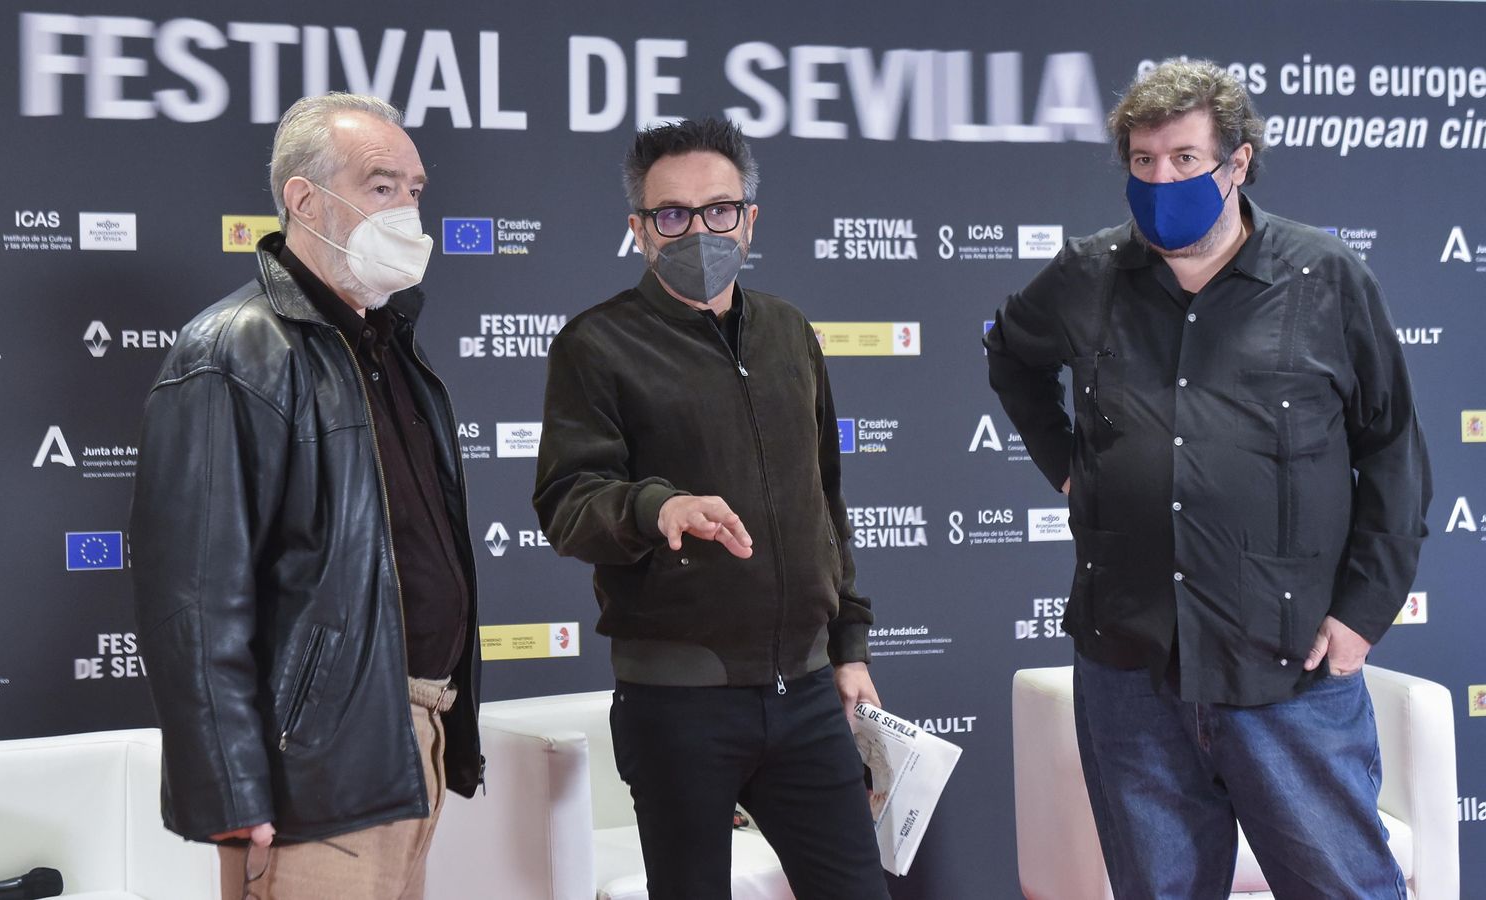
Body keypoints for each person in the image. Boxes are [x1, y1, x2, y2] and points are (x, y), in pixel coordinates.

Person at [986, 59, 1431, 898]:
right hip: (1130, 671)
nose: (1161, 179)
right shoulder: (1089, 275)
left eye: (1185, 158)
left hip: (1286, 669)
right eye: (1143, 161)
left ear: (1239, 161)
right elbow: (1009, 354)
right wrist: (1068, 468)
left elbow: (1393, 448)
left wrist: (1362, 614)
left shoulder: (1325, 278)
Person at [130, 92, 481, 900]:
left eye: (415, 190)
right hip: (311, 773)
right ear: (303, 198)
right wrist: (230, 789)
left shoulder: (388, 346)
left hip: (408, 741)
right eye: (381, 185)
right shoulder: (233, 349)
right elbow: (192, 594)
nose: (408, 210)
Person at [533, 117, 889, 900]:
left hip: (806, 696)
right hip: (678, 705)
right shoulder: (597, 345)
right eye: (672, 215)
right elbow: (567, 503)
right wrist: (657, 507)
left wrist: (849, 647)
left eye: (719, 209)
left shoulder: (791, 333)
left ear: (749, 218)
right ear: (640, 229)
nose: (699, 230)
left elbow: (826, 499)